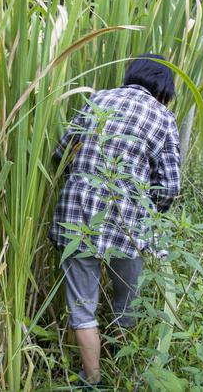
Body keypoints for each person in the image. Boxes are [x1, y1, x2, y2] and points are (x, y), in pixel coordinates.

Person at [48, 53, 181, 387]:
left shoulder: (98, 99)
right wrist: (150, 212)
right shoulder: (163, 117)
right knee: (126, 303)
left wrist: (78, 181)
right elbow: (170, 187)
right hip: (130, 225)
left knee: (82, 308)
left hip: (77, 219)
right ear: (165, 86)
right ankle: (120, 370)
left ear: (132, 75)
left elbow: (60, 152)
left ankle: (91, 379)